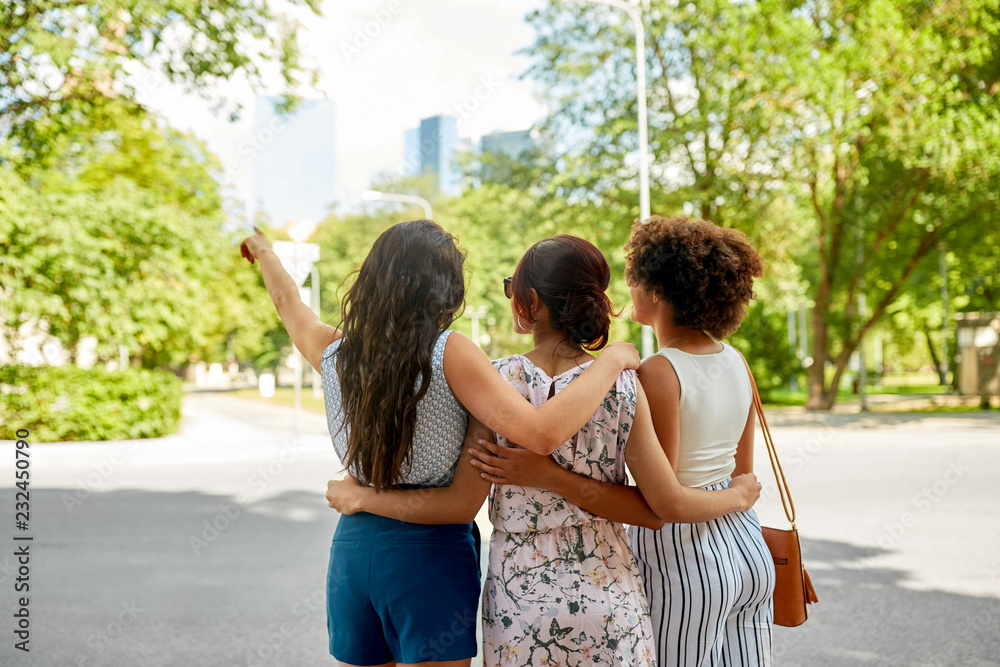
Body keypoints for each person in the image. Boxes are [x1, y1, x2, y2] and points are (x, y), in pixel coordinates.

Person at [325, 234, 762, 666]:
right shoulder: (625, 385)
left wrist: (364, 487)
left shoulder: (493, 382)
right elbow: (653, 510)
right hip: (610, 596)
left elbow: (452, 484)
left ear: (528, 302)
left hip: (522, 600)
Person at [239, 221, 641, 667]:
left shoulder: (334, 352)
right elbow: (538, 435)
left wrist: (264, 251)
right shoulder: (450, 351)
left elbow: (287, 302)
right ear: (446, 289)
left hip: (353, 551)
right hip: (427, 555)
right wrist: (612, 361)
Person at [472, 217, 774, 666]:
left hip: (651, 565)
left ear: (530, 301)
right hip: (713, 556)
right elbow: (722, 480)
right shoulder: (658, 376)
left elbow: (665, 502)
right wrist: (738, 496)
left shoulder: (498, 380)